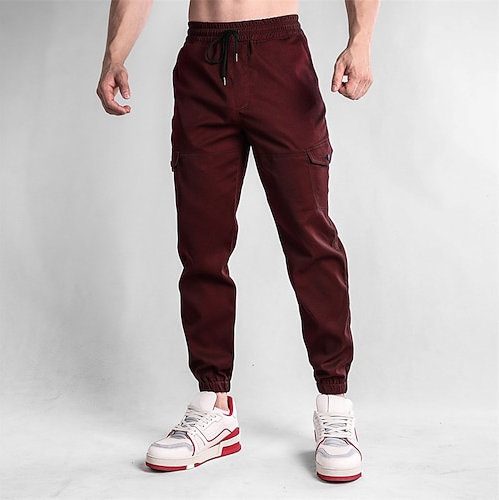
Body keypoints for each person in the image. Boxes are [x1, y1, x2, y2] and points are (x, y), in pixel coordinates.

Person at [97, 0, 379, 483]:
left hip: (278, 54)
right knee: (201, 247)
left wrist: (361, 42)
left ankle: (335, 404)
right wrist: (114, 55)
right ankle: (215, 406)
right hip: (201, 61)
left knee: (310, 238)